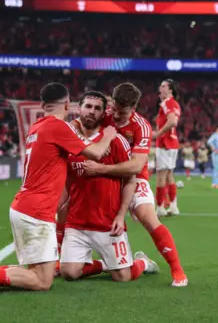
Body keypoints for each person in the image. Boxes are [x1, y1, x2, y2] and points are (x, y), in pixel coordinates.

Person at [0, 83, 117, 294]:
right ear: (67, 104)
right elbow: (97, 153)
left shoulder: (36, 127)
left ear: (42, 105)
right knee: (41, 281)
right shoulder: (58, 127)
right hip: (36, 212)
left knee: (36, 272)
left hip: (25, 207)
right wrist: (109, 134)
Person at [81, 83, 188, 287]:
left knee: (148, 217)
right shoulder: (104, 115)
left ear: (134, 107)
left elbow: (137, 166)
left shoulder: (141, 126)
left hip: (132, 177)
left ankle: (177, 269)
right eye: (116, 110)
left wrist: (101, 169)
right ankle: (69, 259)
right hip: (103, 176)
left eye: (124, 112)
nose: (118, 116)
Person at [58, 91, 159, 282]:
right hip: (77, 224)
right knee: (69, 273)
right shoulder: (69, 140)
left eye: (97, 109)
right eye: (88, 106)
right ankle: (106, 264)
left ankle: (142, 262)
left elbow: (130, 179)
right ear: (78, 109)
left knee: (123, 277)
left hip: (107, 223)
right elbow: (65, 181)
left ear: (105, 113)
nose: (91, 112)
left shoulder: (116, 141)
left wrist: (121, 216)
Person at [153, 79, 181, 217]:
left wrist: (157, 134)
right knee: (169, 175)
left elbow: (172, 121)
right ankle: (174, 206)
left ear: (170, 90)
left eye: (163, 86)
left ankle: (159, 208)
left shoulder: (167, 103)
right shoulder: (175, 104)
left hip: (165, 143)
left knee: (160, 176)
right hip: (173, 143)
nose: (160, 88)